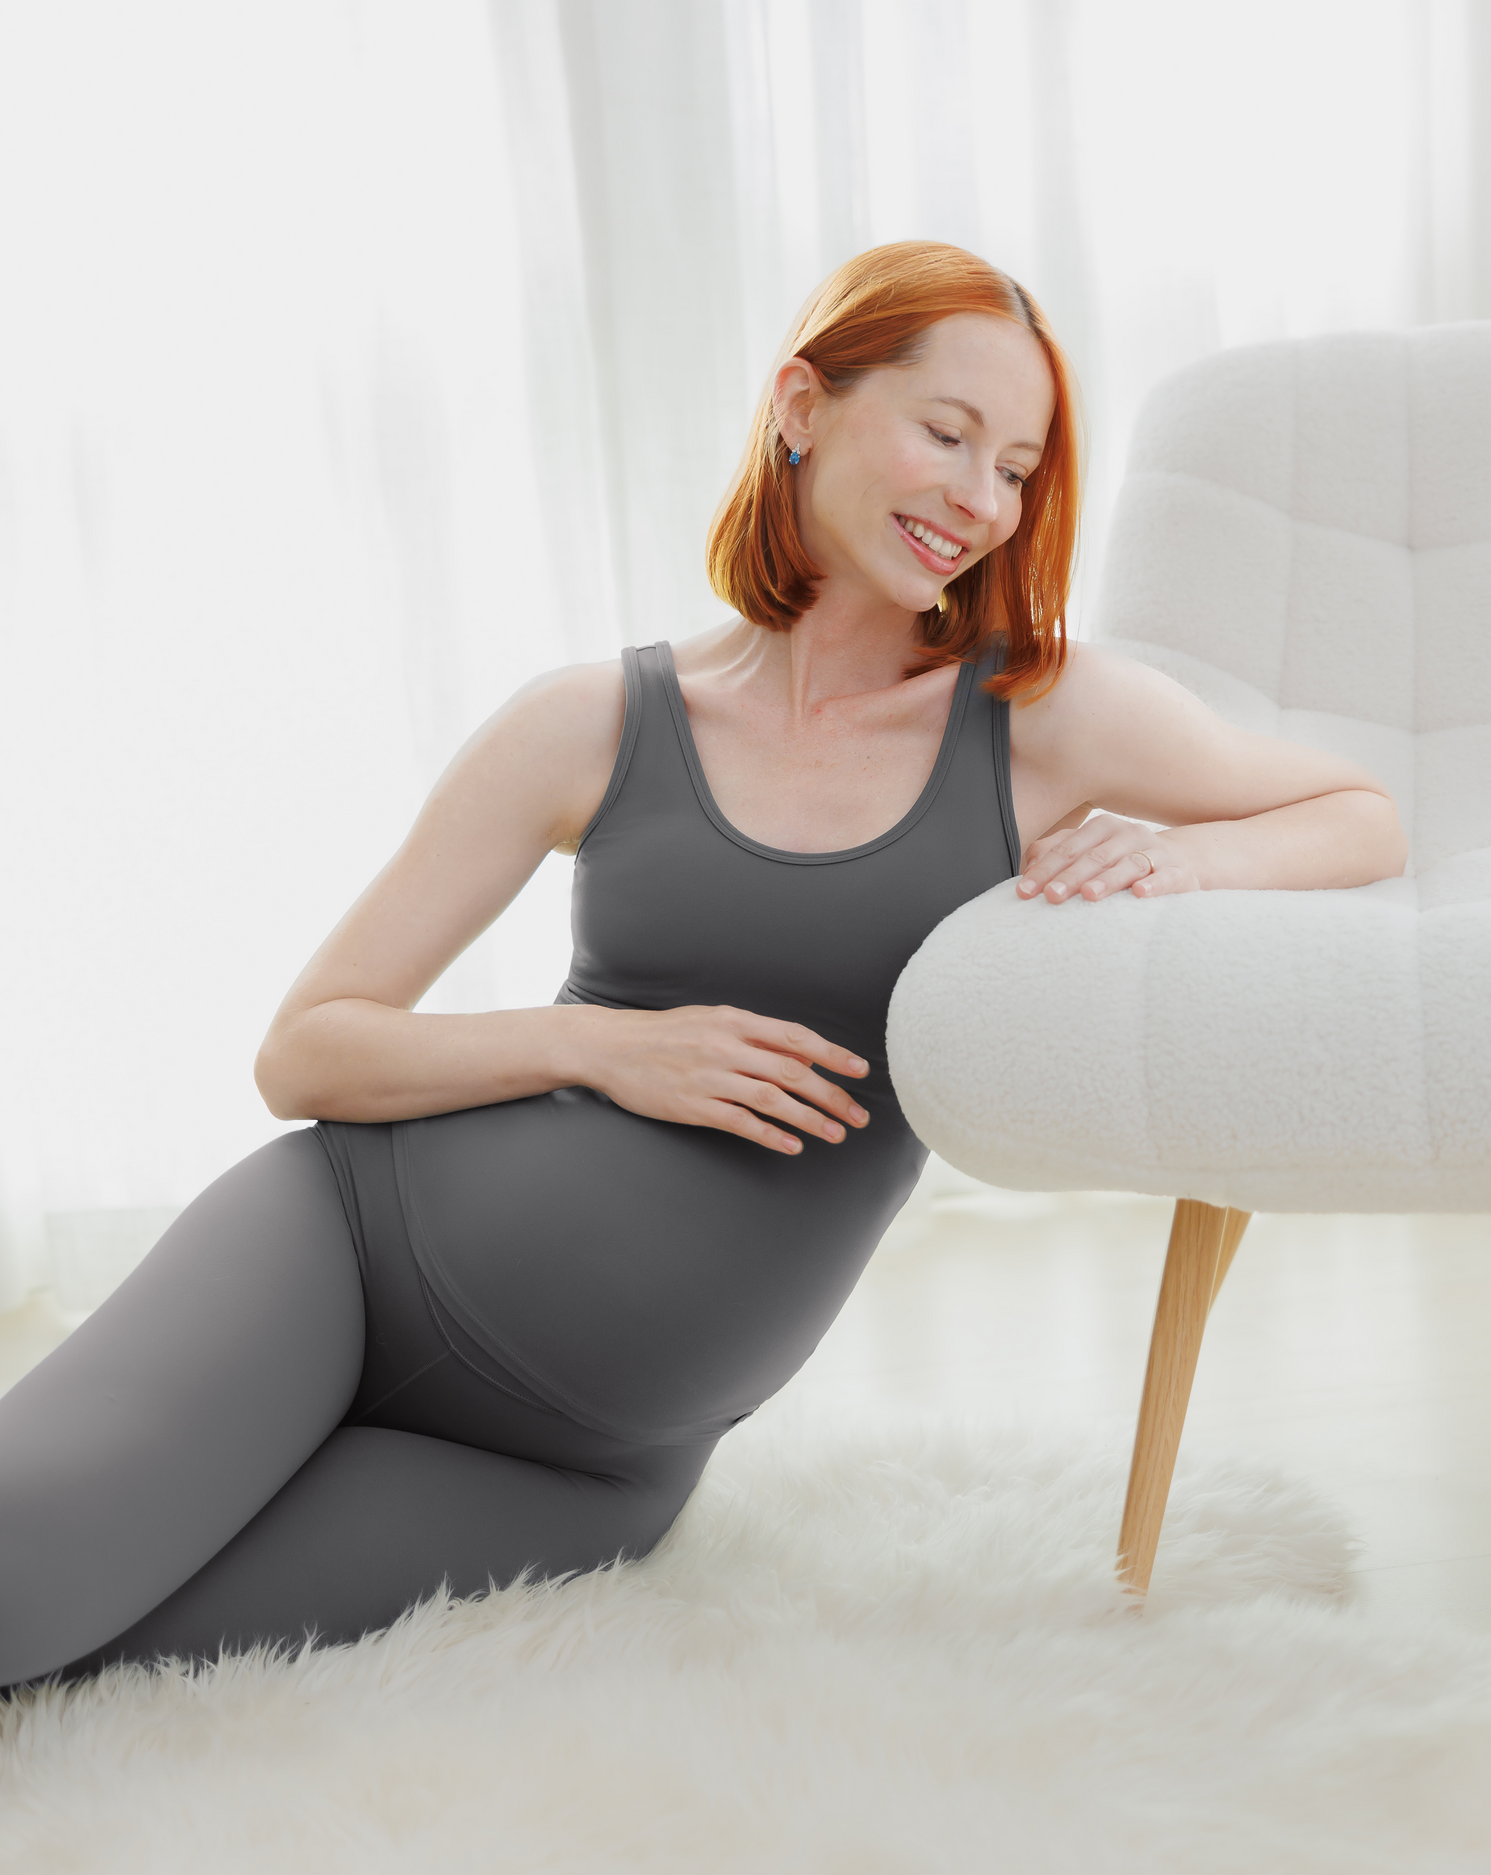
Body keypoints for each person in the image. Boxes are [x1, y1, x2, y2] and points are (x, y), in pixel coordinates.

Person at [0, 242, 1406, 1689]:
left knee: (110, 1652)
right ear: (802, 403)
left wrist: (1179, 861)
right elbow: (307, 1047)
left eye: (1017, 467)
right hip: (351, 1257)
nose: (980, 500)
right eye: (946, 433)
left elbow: (1357, 814)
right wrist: (607, 1046)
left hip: (595, 1466)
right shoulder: (594, 722)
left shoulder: (1040, 720)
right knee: (26, 1589)